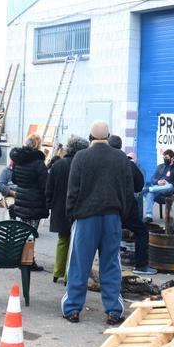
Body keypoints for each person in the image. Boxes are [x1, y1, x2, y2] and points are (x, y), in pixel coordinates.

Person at [62, 121, 133, 325]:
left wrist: (71, 214)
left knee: (79, 263)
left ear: (90, 136)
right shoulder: (120, 157)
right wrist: (123, 216)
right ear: (108, 135)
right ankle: (113, 310)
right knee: (111, 263)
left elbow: (72, 190)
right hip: (112, 217)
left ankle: (73, 308)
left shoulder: (81, 157)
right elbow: (128, 192)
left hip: (86, 217)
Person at [109, 135, 155, 276]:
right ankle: (140, 265)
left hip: (106, 207)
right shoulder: (129, 164)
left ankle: (108, 266)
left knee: (105, 235)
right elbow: (139, 186)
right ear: (121, 147)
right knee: (141, 232)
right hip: (126, 207)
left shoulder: (102, 162)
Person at [46, 135, 89, 284]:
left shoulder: (58, 165)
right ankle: (69, 275)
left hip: (59, 208)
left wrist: (50, 205)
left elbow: (49, 189)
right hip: (78, 208)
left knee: (62, 240)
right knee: (76, 243)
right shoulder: (83, 166)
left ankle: (57, 272)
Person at [10, 134, 50, 230]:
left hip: (21, 198)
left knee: (22, 230)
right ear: (38, 145)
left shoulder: (19, 160)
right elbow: (45, 184)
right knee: (31, 232)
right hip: (35, 201)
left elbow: (14, 179)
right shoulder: (39, 163)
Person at [142, 149, 174, 222]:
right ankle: (149, 216)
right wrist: (158, 182)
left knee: (169, 186)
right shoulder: (160, 167)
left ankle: (149, 189)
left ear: (172, 158)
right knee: (150, 193)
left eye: (167, 158)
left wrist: (168, 183)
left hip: (170, 190)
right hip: (159, 188)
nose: (165, 159)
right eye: (164, 158)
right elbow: (152, 179)